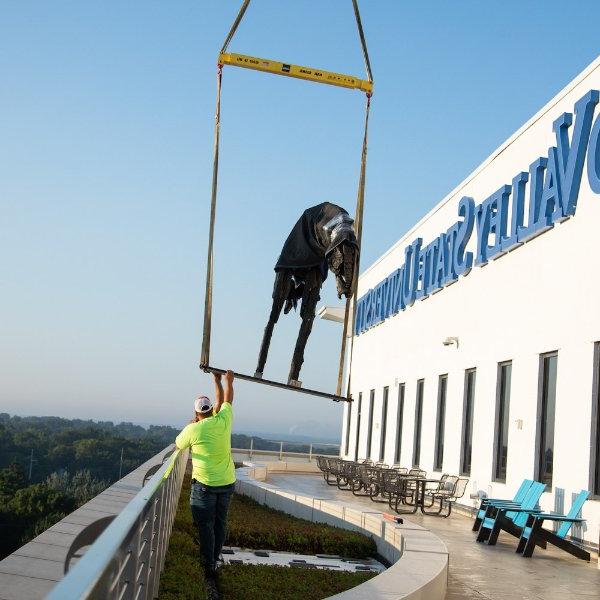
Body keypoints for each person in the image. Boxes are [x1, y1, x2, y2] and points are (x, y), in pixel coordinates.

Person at [175, 370, 236, 581]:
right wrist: (224, 381)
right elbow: (226, 399)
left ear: (196, 413)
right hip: (227, 483)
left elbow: (178, 444)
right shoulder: (223, 420)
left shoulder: (194, 429)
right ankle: (214, 560)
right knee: (220, 523)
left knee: (205, 526)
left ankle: (208, 564)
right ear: (212, 410)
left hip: (205, 485)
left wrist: (193, 424)